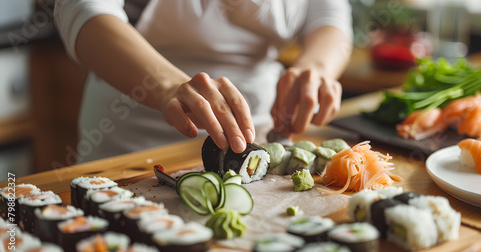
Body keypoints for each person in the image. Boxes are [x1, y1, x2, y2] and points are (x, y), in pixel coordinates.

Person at [54, 0, 353, 163]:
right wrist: (170, 86)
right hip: (133, 143)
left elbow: (329, 15)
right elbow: (81, 7)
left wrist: (316, 67)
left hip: (261, 136)